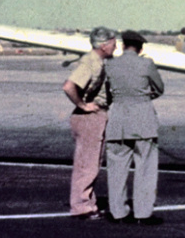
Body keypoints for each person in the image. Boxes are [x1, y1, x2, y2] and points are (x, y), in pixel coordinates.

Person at [103, 31, 166, 224]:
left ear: (123, 45)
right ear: (140, 48)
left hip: (118, 121)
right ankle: (143, 213)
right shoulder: (146, 64)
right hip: (143, 120)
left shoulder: (110, 65)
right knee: (145, 168)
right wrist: (144, 97)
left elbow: (108, 93)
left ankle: (118, 213)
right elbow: (160, 88)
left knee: (116, 170)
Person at [62, 27, 118, 219]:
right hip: (89, 118)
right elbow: (69, 86)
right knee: (88, 164)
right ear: (104, 45)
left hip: (94, 116)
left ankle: (88, 203)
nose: (116, 46)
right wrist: (83, 105)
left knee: (90, 163)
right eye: (113, 43)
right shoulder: (91, 63)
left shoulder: (97, 61)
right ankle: (81, 207)